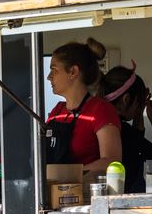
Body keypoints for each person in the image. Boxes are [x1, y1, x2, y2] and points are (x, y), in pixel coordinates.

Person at [45, 38, 122, 172]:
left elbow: (112, 162)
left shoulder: (100, 110)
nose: (49, 77)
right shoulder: (57, 111)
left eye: (54, 70)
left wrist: (69, 176)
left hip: (87, 191)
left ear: (73, 72)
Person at [102, 62, 152, 193]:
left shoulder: (105, 124)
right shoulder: (120, 131)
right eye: (139, 102)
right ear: (126, 99)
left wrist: (138, 111)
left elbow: (136, 140)